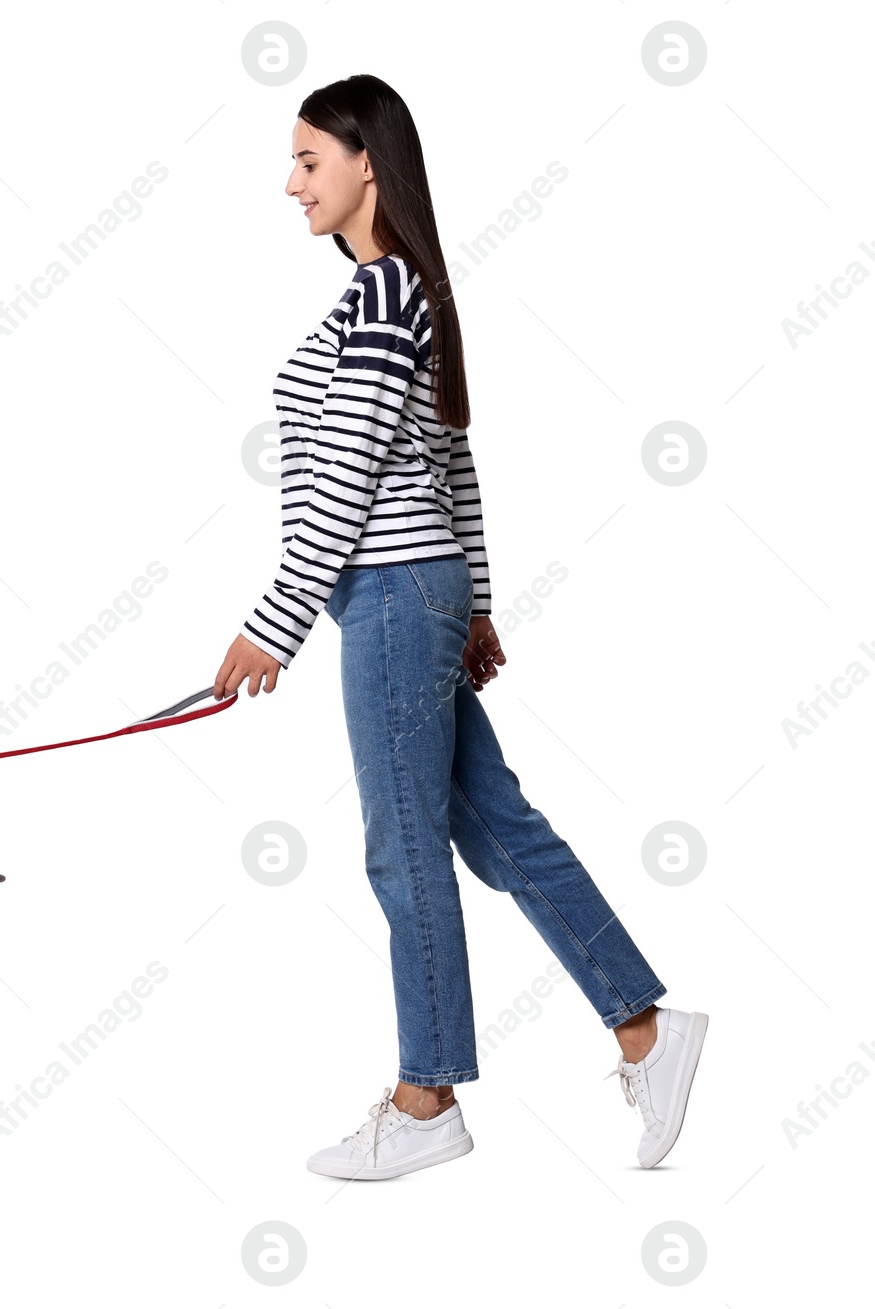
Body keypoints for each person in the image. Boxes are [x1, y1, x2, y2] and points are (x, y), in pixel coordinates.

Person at [211, 73, 707, 1181]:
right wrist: (473, 599)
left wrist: (273, 623)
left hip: (389, 598)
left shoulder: (387, 295)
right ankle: (646, 1029)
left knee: (405, 851)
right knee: (495, 831)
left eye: (307, 160)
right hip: (408, 595)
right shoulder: (389, 294)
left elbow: (346, 476)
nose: (289, 183)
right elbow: (451, 462)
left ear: (365, 166)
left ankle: (427, 1095)